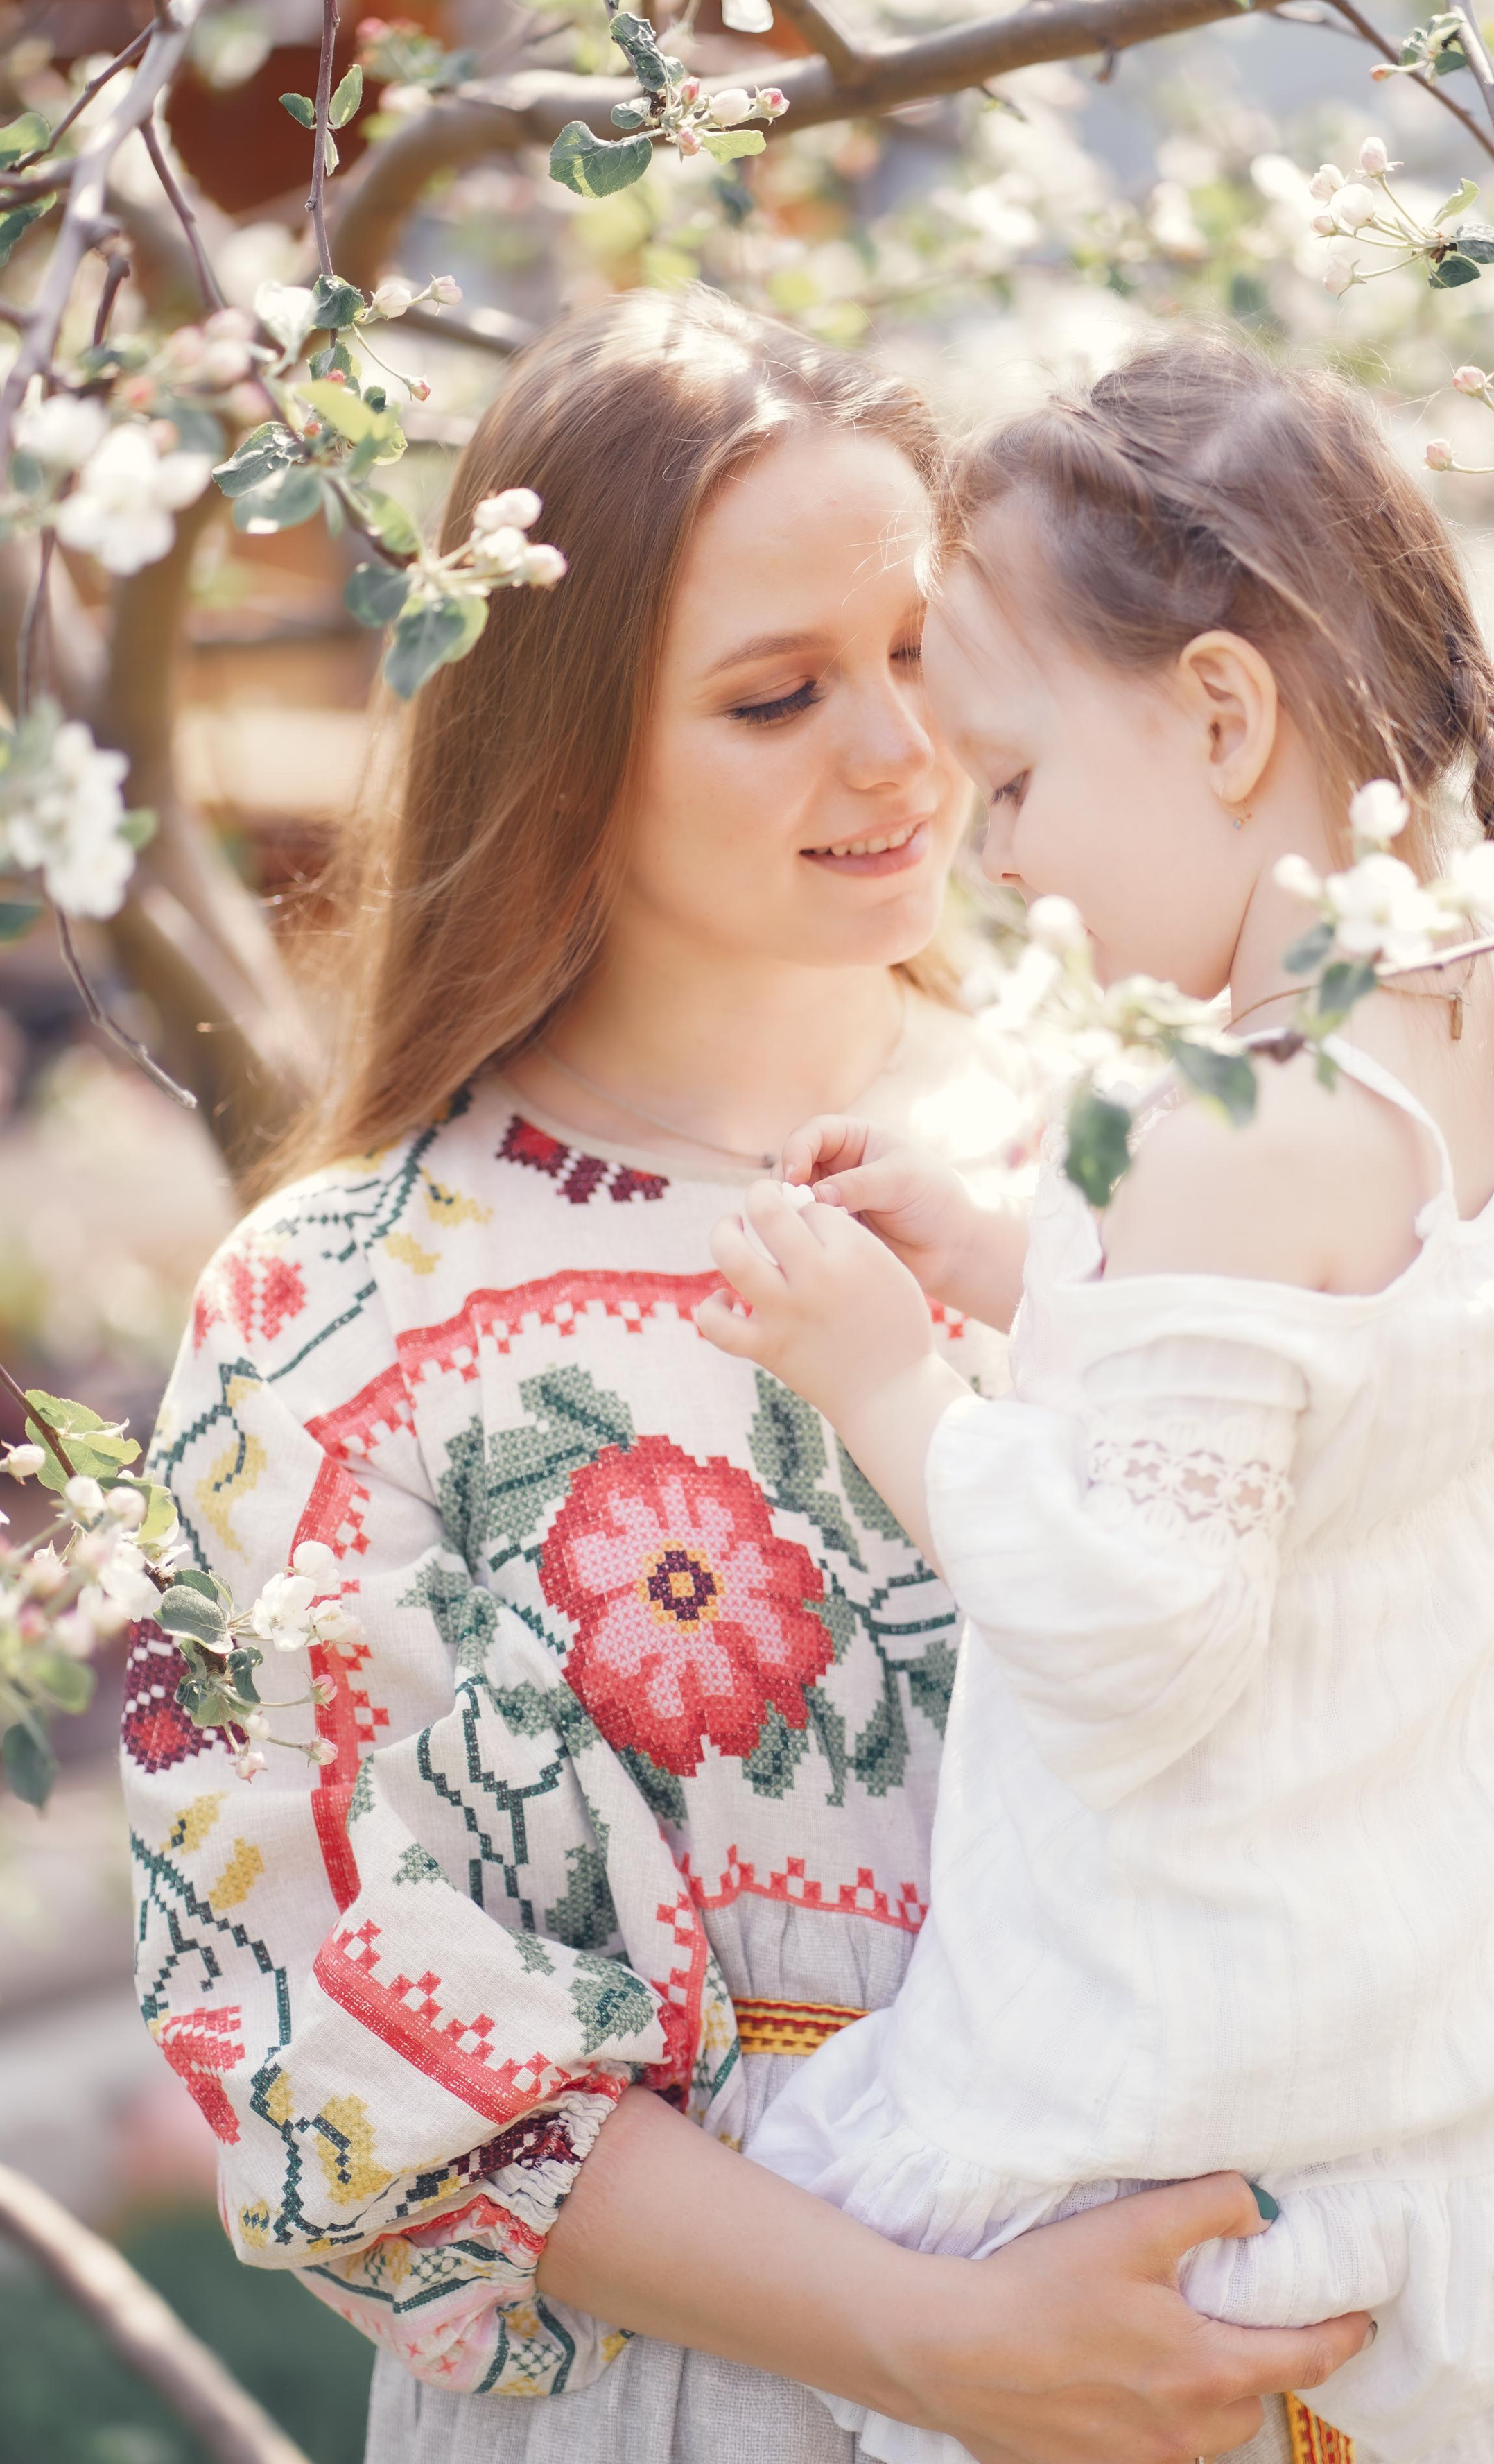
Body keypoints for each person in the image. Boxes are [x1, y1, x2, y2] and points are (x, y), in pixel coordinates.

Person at [122, 291, 1373, 2464]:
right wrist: (934, 2344)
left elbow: (1462, 1722)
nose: (901, 754)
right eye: (779, 696)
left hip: (1281, 2367)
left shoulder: (1182, 1137)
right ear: (565, 743)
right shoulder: (333, 1319)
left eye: (923, 653)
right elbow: (334, 2003)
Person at [699, 334, 1494, 2464]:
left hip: (1180, 2095)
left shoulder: (1224, 1123)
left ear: (1223, 715)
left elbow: (1130, 1632)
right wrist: (1013, 1258)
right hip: (1422, 2013)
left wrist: (884, 1370)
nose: (990, 855)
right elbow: (1310, 1383)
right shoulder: (1471, 1009)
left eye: (1017, 785)